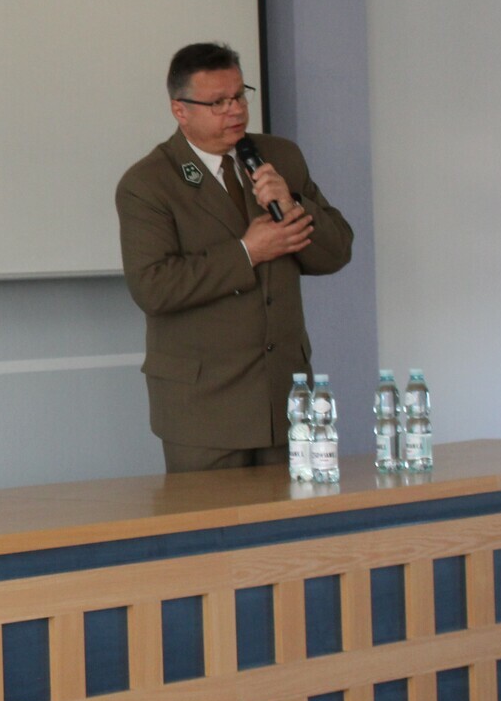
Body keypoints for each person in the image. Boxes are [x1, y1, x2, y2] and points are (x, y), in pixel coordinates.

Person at [115, 42, 353, 472]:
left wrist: (293, 202)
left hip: (285, 399)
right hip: (203, 409)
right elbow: (154, 287)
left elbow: (335, 253)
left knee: (295, 515)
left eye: (240, 96)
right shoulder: (148, 183)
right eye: (218, 102)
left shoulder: (280, 157)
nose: (236, 111)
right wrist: (247, 253)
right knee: (212, 518)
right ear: (180, 110)